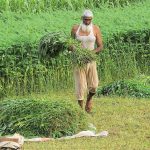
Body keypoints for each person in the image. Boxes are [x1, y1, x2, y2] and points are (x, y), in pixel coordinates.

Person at [70, 9, 103, 113]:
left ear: (91, 19)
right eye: (85, 20)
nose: (87, 22)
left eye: (89, 20)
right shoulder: (75, 29)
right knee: (80, 86)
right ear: (82, 19)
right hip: (79, 62)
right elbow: (70, 45)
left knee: (94, 85)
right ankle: (81, 111)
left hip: (91, 60)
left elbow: (100, 46)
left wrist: (91, 53)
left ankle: (89, 100)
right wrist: (72, 48)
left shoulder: (95, 29)